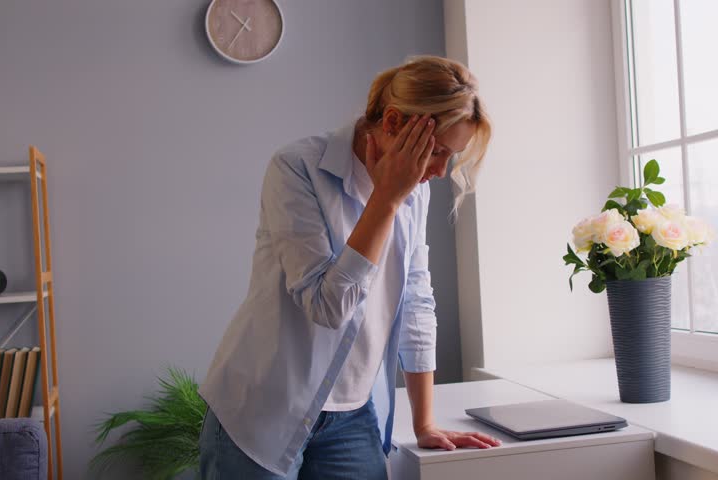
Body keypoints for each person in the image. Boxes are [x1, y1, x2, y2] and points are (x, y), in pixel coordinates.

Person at [198, 55, 497, 479]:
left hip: (352, 414)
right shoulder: (296, 168)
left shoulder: (417, 190)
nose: (440, 171)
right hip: (262, 408)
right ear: (393, 122)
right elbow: (327, 308)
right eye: (437, 152)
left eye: (452, 157)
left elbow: (415, 299)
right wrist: (386, 200)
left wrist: (424, 421)